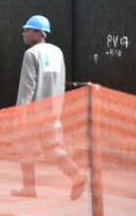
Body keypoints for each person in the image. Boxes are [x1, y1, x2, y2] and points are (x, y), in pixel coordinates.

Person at [12, 15, 87, 200]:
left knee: (24, 148)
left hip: (33, 114)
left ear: (38, 33)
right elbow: (60, 81)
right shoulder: (57, 52)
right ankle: (76, 175)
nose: (24, 33)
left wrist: (19, 114)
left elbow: (27, 87)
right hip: (53, 112)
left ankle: (29, 187)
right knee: (54, 149)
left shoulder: (31, 54)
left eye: (27, 30)